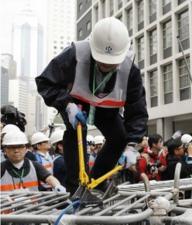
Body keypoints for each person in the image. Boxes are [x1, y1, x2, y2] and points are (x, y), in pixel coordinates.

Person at [35, 17, 148, 193]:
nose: (107, 65)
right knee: (75, 132)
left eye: (112, 62)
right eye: (102, 61)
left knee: (120, 137)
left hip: (106, 107)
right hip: (75, 104)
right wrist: (66, 104)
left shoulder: (130, 69)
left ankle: (97, 180)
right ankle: (76, 188)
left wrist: (132, 146)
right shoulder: (74, 54)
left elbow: (137, 110)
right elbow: (45, 82)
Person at [0, 130, 65, 192]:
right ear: (5, 150)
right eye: (12, 147)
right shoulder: (1, 168)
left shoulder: (34, 166)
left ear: (25, 149)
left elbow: (49, 178)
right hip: (8, 203)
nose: (16, 151)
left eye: (20, 146)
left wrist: (57, 186)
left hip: (33, 203)